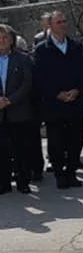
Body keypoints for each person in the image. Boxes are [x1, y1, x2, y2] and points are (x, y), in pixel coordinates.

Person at [33, 11, 83, 189]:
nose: (63, 24)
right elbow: (39, 77)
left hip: (75, 101)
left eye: (64, 21)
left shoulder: (76, 47)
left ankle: (71, 172)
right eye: (59, 22)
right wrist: (56, 93)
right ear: (50, 25)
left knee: (75, 140)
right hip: (54, 104)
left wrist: (77, 90)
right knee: (56, 141)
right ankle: (59, 173)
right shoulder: (42, 49)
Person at [0, 25, 37, 194]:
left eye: (4, 37)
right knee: (2, 150)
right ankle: (4, 183)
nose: (1, 41)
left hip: (18, 111)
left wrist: (10, 100)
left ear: (11, 40)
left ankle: (23, 181)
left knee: (22, 148)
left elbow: (27, 83)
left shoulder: (22, 59)